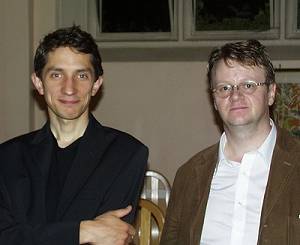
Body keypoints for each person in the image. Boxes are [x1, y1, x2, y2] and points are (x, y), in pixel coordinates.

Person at [0, 26, 148, 245]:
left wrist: (31, 234)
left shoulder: (126, 154)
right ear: (39, 83)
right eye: (57, 74)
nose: (69, 88)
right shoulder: (7, 157)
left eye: (81, 75)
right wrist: (83, 231)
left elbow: (110, 237)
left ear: (96, 84)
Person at [160, 40, 300, 244]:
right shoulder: (188, 175)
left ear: (271, 93)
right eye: (225, 88)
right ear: (215, 100)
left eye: (248, 85)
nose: (235, 95)